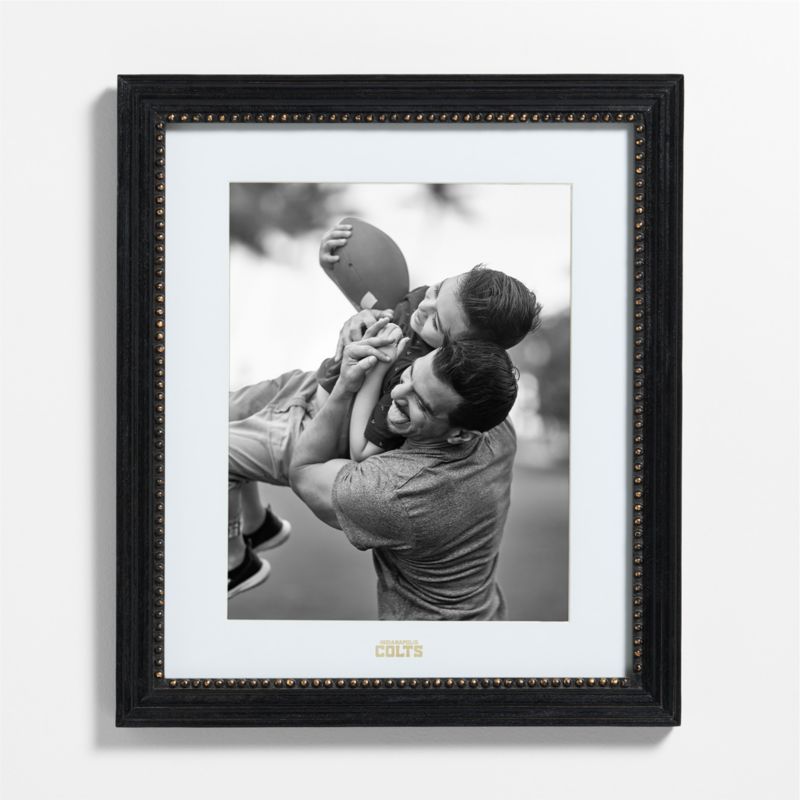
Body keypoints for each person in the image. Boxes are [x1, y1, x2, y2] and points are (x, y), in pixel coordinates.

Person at [227, 222, 541, 598]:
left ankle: (235, 562)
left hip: (318, 423)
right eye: (436, 289)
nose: (423, 305)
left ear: (464, 348)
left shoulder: (416, 388)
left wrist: (370, 371)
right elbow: (386, 307)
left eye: (437, 321)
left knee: (206, 451)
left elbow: (357, 451)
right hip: (309, 385)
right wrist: (339, 271)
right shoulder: (432, 309)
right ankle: (259, 526)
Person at [287, 329, 519, 620]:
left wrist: (344, 387)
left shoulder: (395, 492)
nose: (396, 393)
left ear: (461, 435)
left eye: (421, 403)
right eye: (408, 373)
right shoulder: (500, 432)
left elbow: (303, 472)